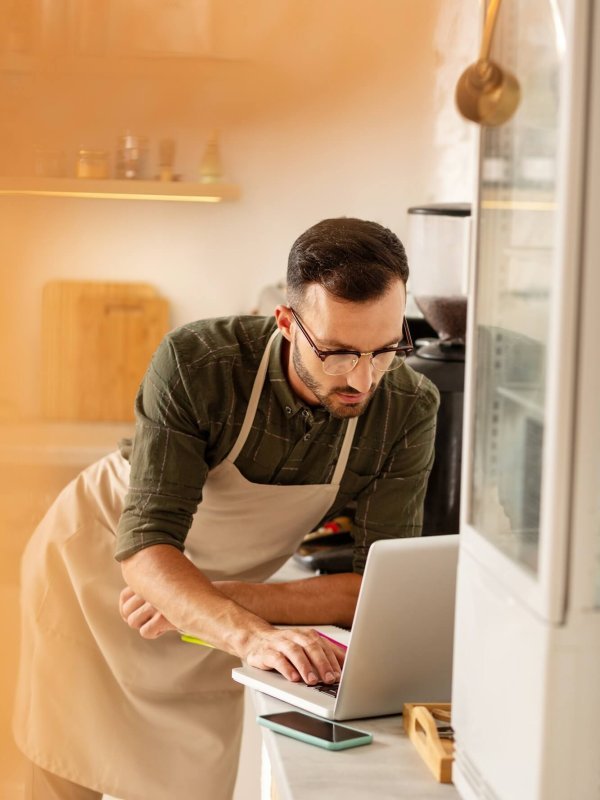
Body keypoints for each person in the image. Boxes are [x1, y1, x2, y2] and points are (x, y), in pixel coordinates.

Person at [14, 217, 439, 800]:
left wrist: (227, 600)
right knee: (64, 768)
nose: (363, 379)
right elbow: (146, 545)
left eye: (386, 349)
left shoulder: (408, 408)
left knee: (186, 781)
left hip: (209, 614)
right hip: (92, 574)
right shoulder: (200, 363)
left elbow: (377, 588)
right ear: (286, 323)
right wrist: (249, 634)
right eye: (338, 353)